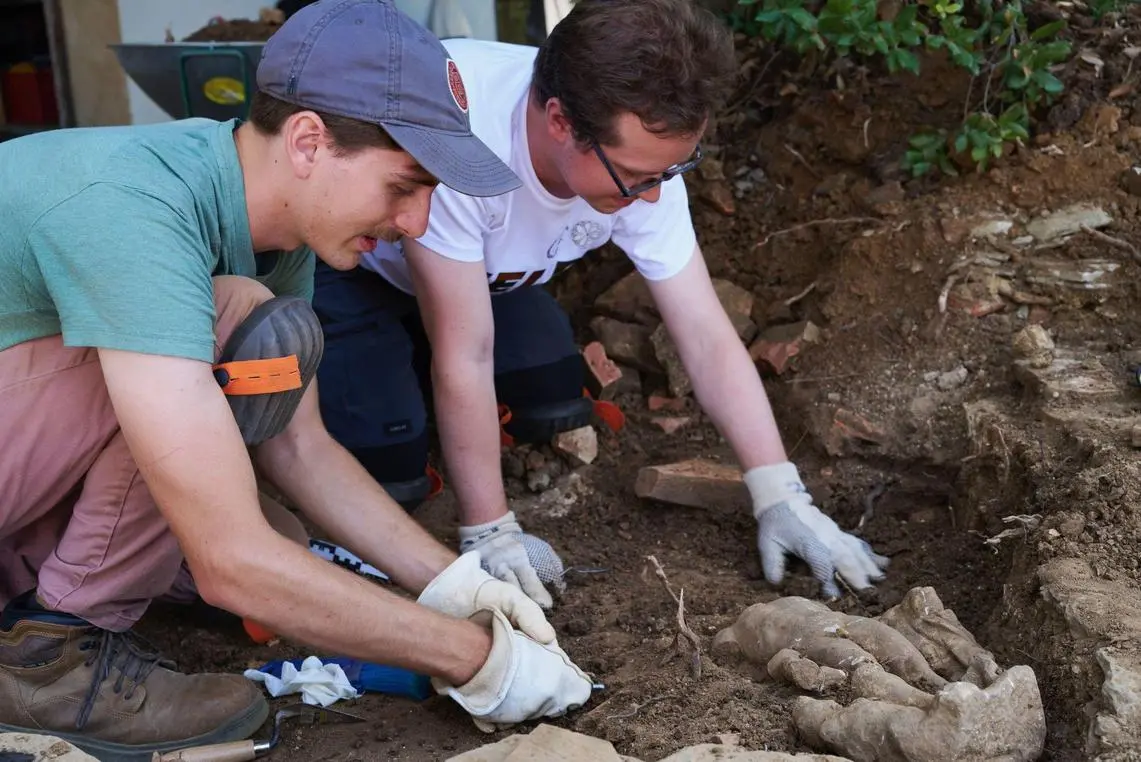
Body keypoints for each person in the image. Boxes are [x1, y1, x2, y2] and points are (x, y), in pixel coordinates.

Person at [0, 1, 594, 758]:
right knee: (239, 356)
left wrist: (457, 583)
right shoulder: (136, 211)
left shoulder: (274, 227)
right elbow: (230, 562)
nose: (415, 222)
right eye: (405, 184)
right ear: (309, 141)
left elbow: (300, 450)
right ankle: (48, 658)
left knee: (284, 537)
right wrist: (473, 659)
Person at [312, 0, 892, 610]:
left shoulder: (644, 159)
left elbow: (705, 334)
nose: (652, 199)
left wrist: (781, 494)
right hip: (358, 267)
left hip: (488, 279)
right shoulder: (464, 137)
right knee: (392, 464)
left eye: (670, 172)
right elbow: (467, 351)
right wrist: (490, 530)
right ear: (560, 121)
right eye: (636, 179)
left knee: (555, 399)